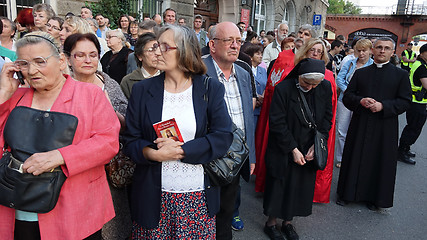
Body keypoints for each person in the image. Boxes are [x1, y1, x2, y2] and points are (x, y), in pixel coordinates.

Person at [0, 31, 120, 239]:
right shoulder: (15, 96)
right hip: (18, 205)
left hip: (75, 209)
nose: (32, 70)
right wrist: (3, 95)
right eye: (24, 64)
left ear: (62, 61)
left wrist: (60, 156)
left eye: (40, 61)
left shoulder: (89, 94)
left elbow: (108, 143)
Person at [123, 24, 233, 239]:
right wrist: (153, 154)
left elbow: (223, 136)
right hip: (152, 197)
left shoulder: (209, 88)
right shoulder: (142, 90)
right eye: (156, 46)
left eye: (165, 47)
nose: (157, 52)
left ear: (184, 50)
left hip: (197, 197)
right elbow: (130, 140)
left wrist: (182, 151)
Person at [63, 32, 130, 239]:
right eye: (80, 55)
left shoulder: (109, 84)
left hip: (110, 170)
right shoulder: (61, 87)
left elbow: (128, 126)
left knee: (111, 227)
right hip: (73, 171)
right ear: (68, 58)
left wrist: (111, 111)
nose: (87, 60)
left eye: (93, 54)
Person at [336, 37, 412, 211]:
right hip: (361, 122)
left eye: (386, 48)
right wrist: (360, 100)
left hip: (385, 126)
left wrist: (383, 106)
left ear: (393, 52)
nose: (382, 51)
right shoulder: (361, 73)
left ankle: (374, 198)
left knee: (380, 160)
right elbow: (348, 97)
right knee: (354, 155)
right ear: (373, 50)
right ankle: (347, 194)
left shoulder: (400, 75)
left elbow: (405, 101)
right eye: (379, 47)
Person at [263, 58, 332, 240]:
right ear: (299, 76)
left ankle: (288, 222)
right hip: (283, 145)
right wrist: (292, 149)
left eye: (314, 84)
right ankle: (271, 223)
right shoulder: (283, 89)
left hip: (308, 146)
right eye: (306, 83)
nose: (310, 88)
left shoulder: (324, 87)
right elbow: (277, 122)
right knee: (279, 184)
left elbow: (327, 117)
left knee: (299, 186)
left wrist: (315, 145)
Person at [203, 21, 255, 240]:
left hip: (234, 159)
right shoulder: (197, 70)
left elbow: (247, 117)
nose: (235, 46)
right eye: (229, 41)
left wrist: (249, 154)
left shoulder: (243, 72)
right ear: (212, 45)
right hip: (207, 157)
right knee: (205, 214)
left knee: (226, 213)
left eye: (238, 41)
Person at [335, 39, 373, 168]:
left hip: (362, 102)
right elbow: (340, 78)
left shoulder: (373, 65)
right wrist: (348, 92)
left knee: (359, 130)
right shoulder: (350, 63)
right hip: (345, 100)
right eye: (359, 50)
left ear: (370, 51)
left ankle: (355, 157)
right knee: (342, 130)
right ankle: (341, 158)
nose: (361, 53)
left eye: (364, 50)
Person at [398, 44, 427, 165]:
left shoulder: (420, 64)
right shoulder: (421, 67)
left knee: (413, 127)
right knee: (413, 127)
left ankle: (406, 148)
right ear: (422, 53)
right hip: (417, 102)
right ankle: (401, 152)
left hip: (418, 101)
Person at [121, 32, 160, 99]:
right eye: (151, 50)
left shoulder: (169, 77)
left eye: (158, 49)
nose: (156, 54)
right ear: (139, 56)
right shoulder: (128, 81)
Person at [243, 43, 267, 127]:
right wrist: (255, 97)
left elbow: (266, 85)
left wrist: (262, 97)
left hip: (261, 109)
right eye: (258, 54)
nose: (260, 56)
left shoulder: (263, 70)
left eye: (261, 54)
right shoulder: (245, 70)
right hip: (250, 108)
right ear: (250, 56)